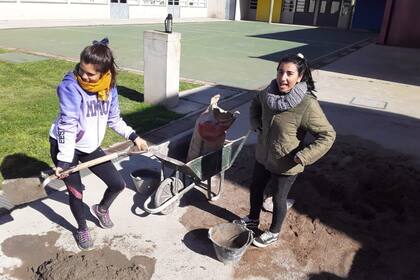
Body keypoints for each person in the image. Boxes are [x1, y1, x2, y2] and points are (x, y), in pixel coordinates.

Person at [49, 38, 148, 250]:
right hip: (66, 145)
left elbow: (114, 119)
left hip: (89, 147)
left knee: (117, 185)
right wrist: (64, 161)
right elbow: (67, 125)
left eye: (90, 74)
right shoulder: (70, 87)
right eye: (81, 70)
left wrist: (134, 136)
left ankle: (101, 209)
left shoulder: (109, 89)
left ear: (105, 73)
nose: (83, 76)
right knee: (76, 193)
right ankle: (82, 228)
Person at [234, 53, 336, 248]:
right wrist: (256, 123)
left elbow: (328, 135)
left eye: (290, 73)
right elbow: (255, 104)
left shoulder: (307, 105)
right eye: (280, 72)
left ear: (300, 76)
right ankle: (253, 219)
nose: (283, 78)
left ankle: (273, 233)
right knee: (256, 188)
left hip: (287, 163)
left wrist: (304, 156)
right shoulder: (267, 94)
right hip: (263, 155)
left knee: (278, 198)